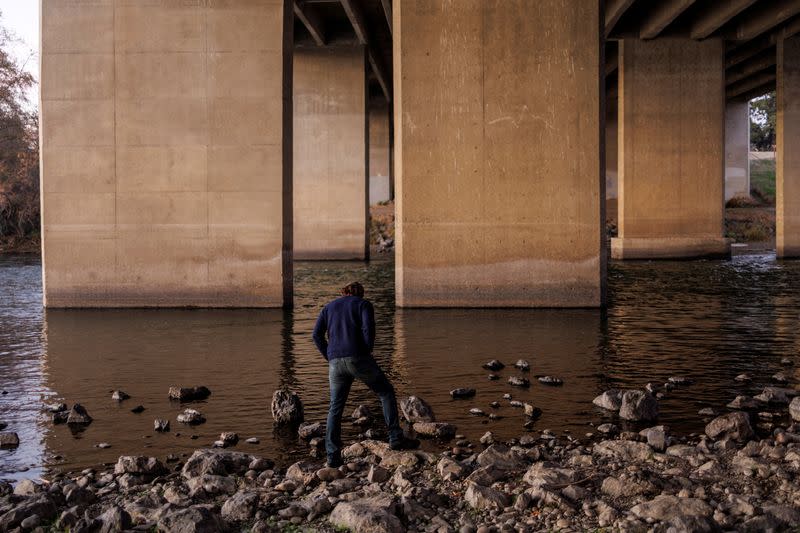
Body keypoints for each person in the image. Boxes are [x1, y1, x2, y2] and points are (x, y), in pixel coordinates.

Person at [312, 281, 418, 468]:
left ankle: (332, 457)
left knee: (335, 407)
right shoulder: (363, 304)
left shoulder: (328, 307)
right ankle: (395, 438)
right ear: (360, 294)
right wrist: (366, 350)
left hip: (335, 362)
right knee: (385, 392)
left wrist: (329, 355)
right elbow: (368, 329)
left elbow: (316, 335)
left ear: (343, 292)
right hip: (358, 357)